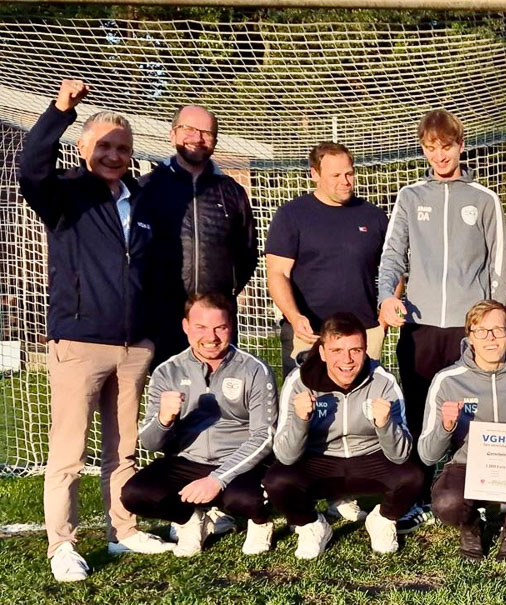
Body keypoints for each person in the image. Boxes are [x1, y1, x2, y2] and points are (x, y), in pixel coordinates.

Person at [19, 79, 173, 582]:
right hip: (79, 343)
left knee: (123, 449)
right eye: (104, 146)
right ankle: (61, 545)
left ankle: (122, 531)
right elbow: (31, 167)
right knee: (69, 453)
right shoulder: (64, 194)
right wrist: (60, 109)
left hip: (133, 348)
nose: (114, 155)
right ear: (84, 149)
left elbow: (152, 272)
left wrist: (150, 336)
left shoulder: (141, 201)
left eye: (122, 148)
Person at [377, 109, 506, 529]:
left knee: (472, 410)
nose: (440, 155)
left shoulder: (484, 198)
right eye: (431, 148)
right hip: (420, 326)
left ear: (461, 146)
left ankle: (472, 494)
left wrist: (492, 324)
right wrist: (385, 297)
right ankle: (416, 496)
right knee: (419, 410)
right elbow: (392, 256)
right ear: (423, 150)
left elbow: (500, 267)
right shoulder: (410, 196)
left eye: (447, 146)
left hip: (467, 328)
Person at [122, 293, 277, 557]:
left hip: (240, 461)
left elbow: (264, 436)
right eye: (201, 327)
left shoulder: (254, 369)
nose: (211, 337)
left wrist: (217, 479)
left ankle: (260, 522)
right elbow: (150, 443)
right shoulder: (167, 371)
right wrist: (163, 419)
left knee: (243, 499)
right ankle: (191, 520)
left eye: (220, 327)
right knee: (135, 494)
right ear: (185, 326)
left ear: (232, 326)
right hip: (189, 460)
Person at [264, 313, 423, 559]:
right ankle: (312, 524)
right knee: (276, 481)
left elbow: (400, 455)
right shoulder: (299, 381)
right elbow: (285, 456)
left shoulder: (383, 382)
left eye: (355, 350)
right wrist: (300, 420)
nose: (347, 360)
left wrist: (384, 424)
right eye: (337, 350)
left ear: (365, 351)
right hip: (319, 458)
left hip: (369, 457)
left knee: (413, 476)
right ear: (323, 352)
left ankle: (383, 519)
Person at [419, 300, 506, 561]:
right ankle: (471, 527)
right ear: (470, 337)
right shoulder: (447, 380)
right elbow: (427, 455)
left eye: (498, 330)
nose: (491, 338)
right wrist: (446, 427)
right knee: (446, 502)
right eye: (481, 331)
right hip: (467, 466)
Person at [142, 104, 258, 366]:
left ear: (215, 140)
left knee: (217, 387)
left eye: (206, 132)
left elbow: (247, 253)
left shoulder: (232, 192)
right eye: (189, 129)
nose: (197, 138)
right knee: (167, 388)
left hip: (214, 320)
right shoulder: (147, 188)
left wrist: (221, 294)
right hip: (161, 317)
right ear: (172, 134)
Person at [265, 142, 389, 376]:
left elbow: (392, 269)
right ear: (315, 174)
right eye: (335, 175)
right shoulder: (291, 215)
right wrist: (294, 317)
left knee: (363, 398)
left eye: (349, 173)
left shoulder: (374, 216)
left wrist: (382, 322)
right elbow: (277, 273)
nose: (345, 181)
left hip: (362, 335)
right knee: (306, 398)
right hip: (309, 334)